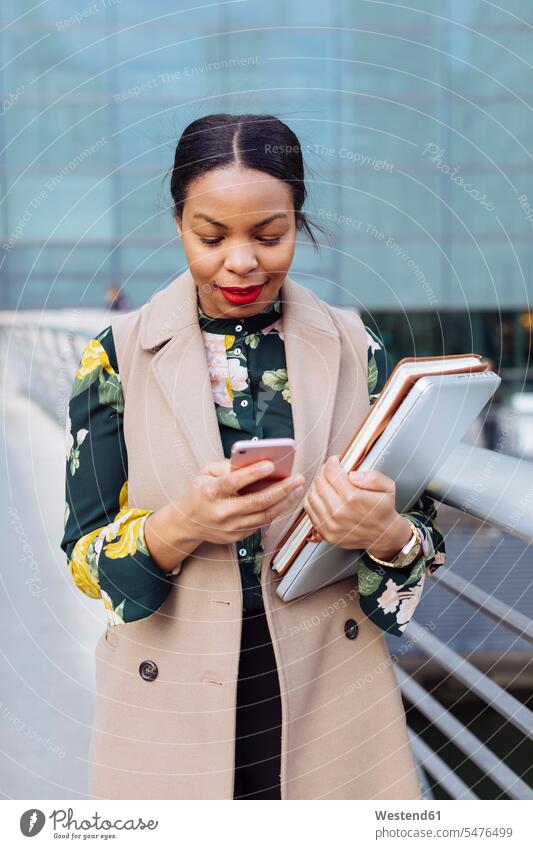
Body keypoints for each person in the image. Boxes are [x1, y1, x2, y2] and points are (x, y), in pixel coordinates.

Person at [61, 113, 446, 801]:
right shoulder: (116, 357)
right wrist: (180, 524)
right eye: (211, 236)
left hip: (332, 696)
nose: (241, 261)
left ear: (297, 221)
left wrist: (382, 533)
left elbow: (417, 533)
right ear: (178, 222)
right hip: (167, 702)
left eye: (269, 235)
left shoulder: (356, 347)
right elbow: (85, 558)